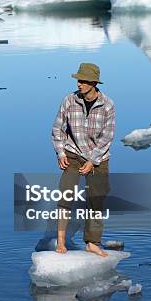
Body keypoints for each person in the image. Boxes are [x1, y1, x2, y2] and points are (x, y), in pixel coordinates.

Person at [51, 63, 115, 257]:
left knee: (96, 199)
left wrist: (93, 160)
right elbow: (57, 128)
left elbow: (107, 136)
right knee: (65, 195)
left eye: (83, 81)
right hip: (72, 154)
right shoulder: (69, 100)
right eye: (78, 80)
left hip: (98, 158)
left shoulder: (107, 105)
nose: (78, 84)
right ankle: (61, 241)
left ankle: (92, 242)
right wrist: (61, 153)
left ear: (93, 83)